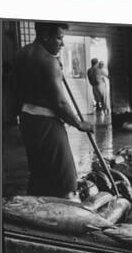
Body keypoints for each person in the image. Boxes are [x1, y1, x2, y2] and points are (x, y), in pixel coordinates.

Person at [13, 22, 93, 199]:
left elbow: (17, 90)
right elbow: (59, 103)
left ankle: (38, 206)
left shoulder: (21, 54)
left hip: (27, 120)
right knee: (65, 177)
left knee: (39, 170)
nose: (62, 44)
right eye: (59, 38)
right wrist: (79, 123)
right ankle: (62, 213)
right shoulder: (49, 62)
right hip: (47, 122)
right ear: (45, 36)